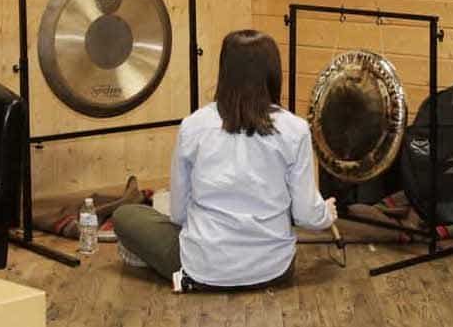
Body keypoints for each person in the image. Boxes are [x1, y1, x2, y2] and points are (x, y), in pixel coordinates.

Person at [113, 29, 337, 291]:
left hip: (203, 268)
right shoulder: (295, 129)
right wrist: (325, 214)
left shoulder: (193, 126)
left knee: (125, 214)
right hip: (274, 271)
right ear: (274, 73)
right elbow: (306, 215)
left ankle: (157, 263)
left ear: (224, 71)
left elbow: (178, 213)